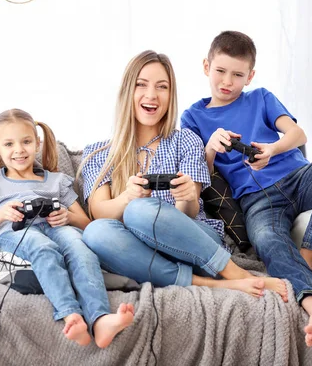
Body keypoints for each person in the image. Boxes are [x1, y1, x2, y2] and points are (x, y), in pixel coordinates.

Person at [180, 30, 312, 347]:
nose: (227, 81)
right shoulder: (192, 117)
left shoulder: (261, 97)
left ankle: (307, 258)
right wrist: (210, 147)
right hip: (257, 202)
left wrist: (272, 150)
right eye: (220, 71)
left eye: (237, 74)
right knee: (266, 239)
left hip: (298, 177)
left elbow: (298, 134)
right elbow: (201, 177)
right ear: (206, 66)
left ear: (250, 76)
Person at [81, 50, 288, 301]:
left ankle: (235, 273)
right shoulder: (97, 154)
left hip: (195, 243)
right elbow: (97, 212)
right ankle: (210, 284)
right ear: (127, 91)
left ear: (171, 95)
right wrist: (127, 197)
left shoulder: (186, 140)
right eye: (141, 85)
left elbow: (187, 214)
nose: (151, 95)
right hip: (138, 252)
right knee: (96, 232)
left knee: (140, 211)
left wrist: (188, 197)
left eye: (162, 87)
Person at [0, 109, 134, 348]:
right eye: (9, 144)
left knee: (80, 249)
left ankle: (101, 319)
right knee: (43, 248)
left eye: (26, 141)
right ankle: (70, 314)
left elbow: (87, 224)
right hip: (17, 232)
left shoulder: (56, 181)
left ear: (37, 144)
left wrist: (67, 216)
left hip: (57, 228)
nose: (19, 150)